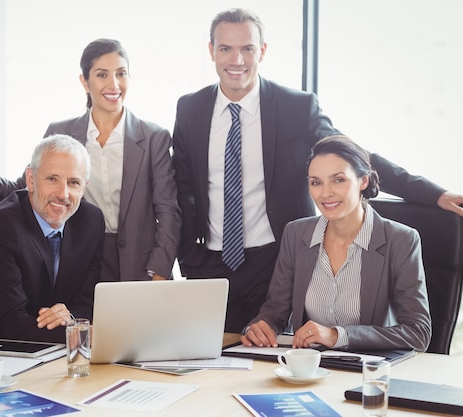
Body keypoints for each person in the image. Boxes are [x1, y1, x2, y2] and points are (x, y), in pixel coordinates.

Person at [172, 8, 463, 333]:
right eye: (226, 48)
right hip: (207, 266)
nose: (236, 59)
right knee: (207, 363)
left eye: (247, 48)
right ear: (211, 50)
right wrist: (187, 257)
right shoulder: (190, 108)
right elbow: (182, 190)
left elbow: (355, 158)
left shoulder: (296, 107)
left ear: (262, 51)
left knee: (266, 360)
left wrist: (434, 194)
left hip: (275, 262)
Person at [0, 39, 180, 283]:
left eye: (121, 74)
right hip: (83, 259)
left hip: (142, 266)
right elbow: (27, 186)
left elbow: (168, 211)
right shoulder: (62, 133)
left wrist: (160, 271)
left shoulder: (154, 137)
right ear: (85, 82)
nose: (114, 84)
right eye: (102, 75)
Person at [240, 135, 431, 351]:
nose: (325, 193)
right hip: (305, 368)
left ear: (363, 181)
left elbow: (418, 333)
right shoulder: (296, 233)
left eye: (338, 180)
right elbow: (275, 311)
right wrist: (263, 327)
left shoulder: (400, 239)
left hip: (365, 372)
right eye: (316, 182)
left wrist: (336, 336)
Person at [0, 134, 105, 343]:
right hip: (4, 354)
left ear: (84, 187)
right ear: (31, 180)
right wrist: (80, 333)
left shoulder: (91, 222)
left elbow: (86, 303)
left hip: (58, 352)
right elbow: (10, 323)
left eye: (73, 182)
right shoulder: (0, 227)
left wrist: (70, 318)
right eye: (52, 179)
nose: (63, 194)